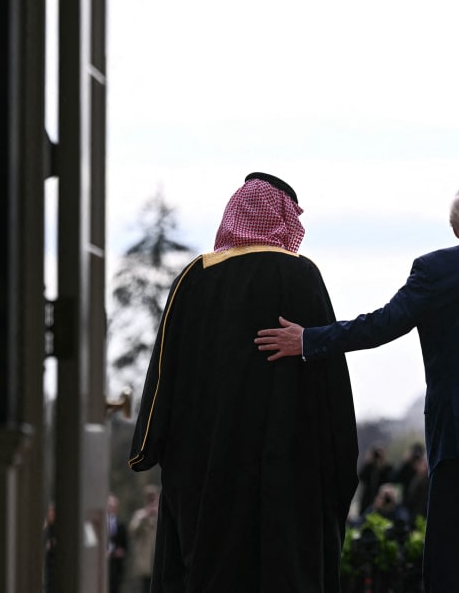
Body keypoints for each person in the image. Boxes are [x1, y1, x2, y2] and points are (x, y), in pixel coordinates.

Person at [255, 183, 459, 592]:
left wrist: (308, 341)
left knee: (451, 563)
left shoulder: (435, 269)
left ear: (455, 226)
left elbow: (383, 324)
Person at [128, 172, 359, 592]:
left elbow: (163, 371)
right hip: (288, 461)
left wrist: (148, 444)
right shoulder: (301, 276)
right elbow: (331, 380)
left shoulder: (194, 278)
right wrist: (341, 457)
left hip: (205, 459)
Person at [128, 485, 159, 593]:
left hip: (158, 557)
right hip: (145, 559)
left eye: (153, 497)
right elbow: (132, 530)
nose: (151, 500)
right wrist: (146, 515)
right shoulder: (140, 515)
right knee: (145, 587)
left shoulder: (161, 515)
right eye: (149, 497)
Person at [107, 495, 128, 593]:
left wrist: (122, 552)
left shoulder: (121, 525)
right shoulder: (100, 524)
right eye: (109, 505)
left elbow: (125, 546)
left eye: (112, 505)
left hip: (116, 564)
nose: (110, 508)